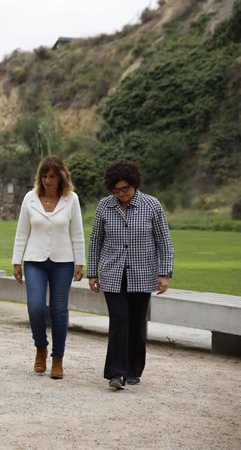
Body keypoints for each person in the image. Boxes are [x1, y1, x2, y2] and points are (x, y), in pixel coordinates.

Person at [87, 160, 174, 390]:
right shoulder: (104, 206)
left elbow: (163, 240)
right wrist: (92, 272)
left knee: (136, 322)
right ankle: (116, 373)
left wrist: (165, 273)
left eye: (124, 189)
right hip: (112, 272)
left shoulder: (152, 205)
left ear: (134, 184)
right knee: (119, 320)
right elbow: (96, 240)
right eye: (116, 190)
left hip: (143, 273)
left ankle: (134, 369)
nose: (121, 194)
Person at [12, 155, 84, 380]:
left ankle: (58, 357)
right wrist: (16, 260)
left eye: (52, 176)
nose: (47, 181)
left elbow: (77, 232)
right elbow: (22, 231)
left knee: (59, 310)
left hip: (63, 261)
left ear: (61, 177)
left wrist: (80, 262)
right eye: (44, 176)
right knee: (35, 307)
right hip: (34, 261)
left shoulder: (71, 199)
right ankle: (41, 347)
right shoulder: (30, 198)